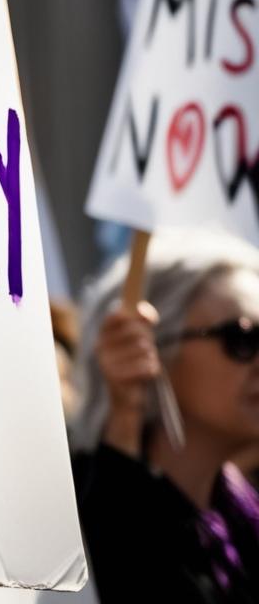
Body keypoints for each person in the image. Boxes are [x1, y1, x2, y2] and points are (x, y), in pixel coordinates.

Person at [70, 229, 259, 603]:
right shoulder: (87, 527)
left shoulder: (240, 517)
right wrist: (125, 411)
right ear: (151, 348)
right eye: (242, 338)